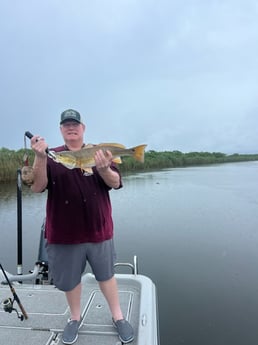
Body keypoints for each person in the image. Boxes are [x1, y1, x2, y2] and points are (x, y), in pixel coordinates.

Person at [30, 109, 134, 344]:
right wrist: (39, 158)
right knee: (71, 281)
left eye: (75, 124)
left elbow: (116, 183)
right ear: (60, 130)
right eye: (66, 124)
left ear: (83, 128)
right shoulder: (53, 157)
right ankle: (74, 319)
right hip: (64, 234)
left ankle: (118, 317)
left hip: (99, 230)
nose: (71, 127)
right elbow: (37, 187)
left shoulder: (99, 152)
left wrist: (105, 168)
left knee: (107, 276)